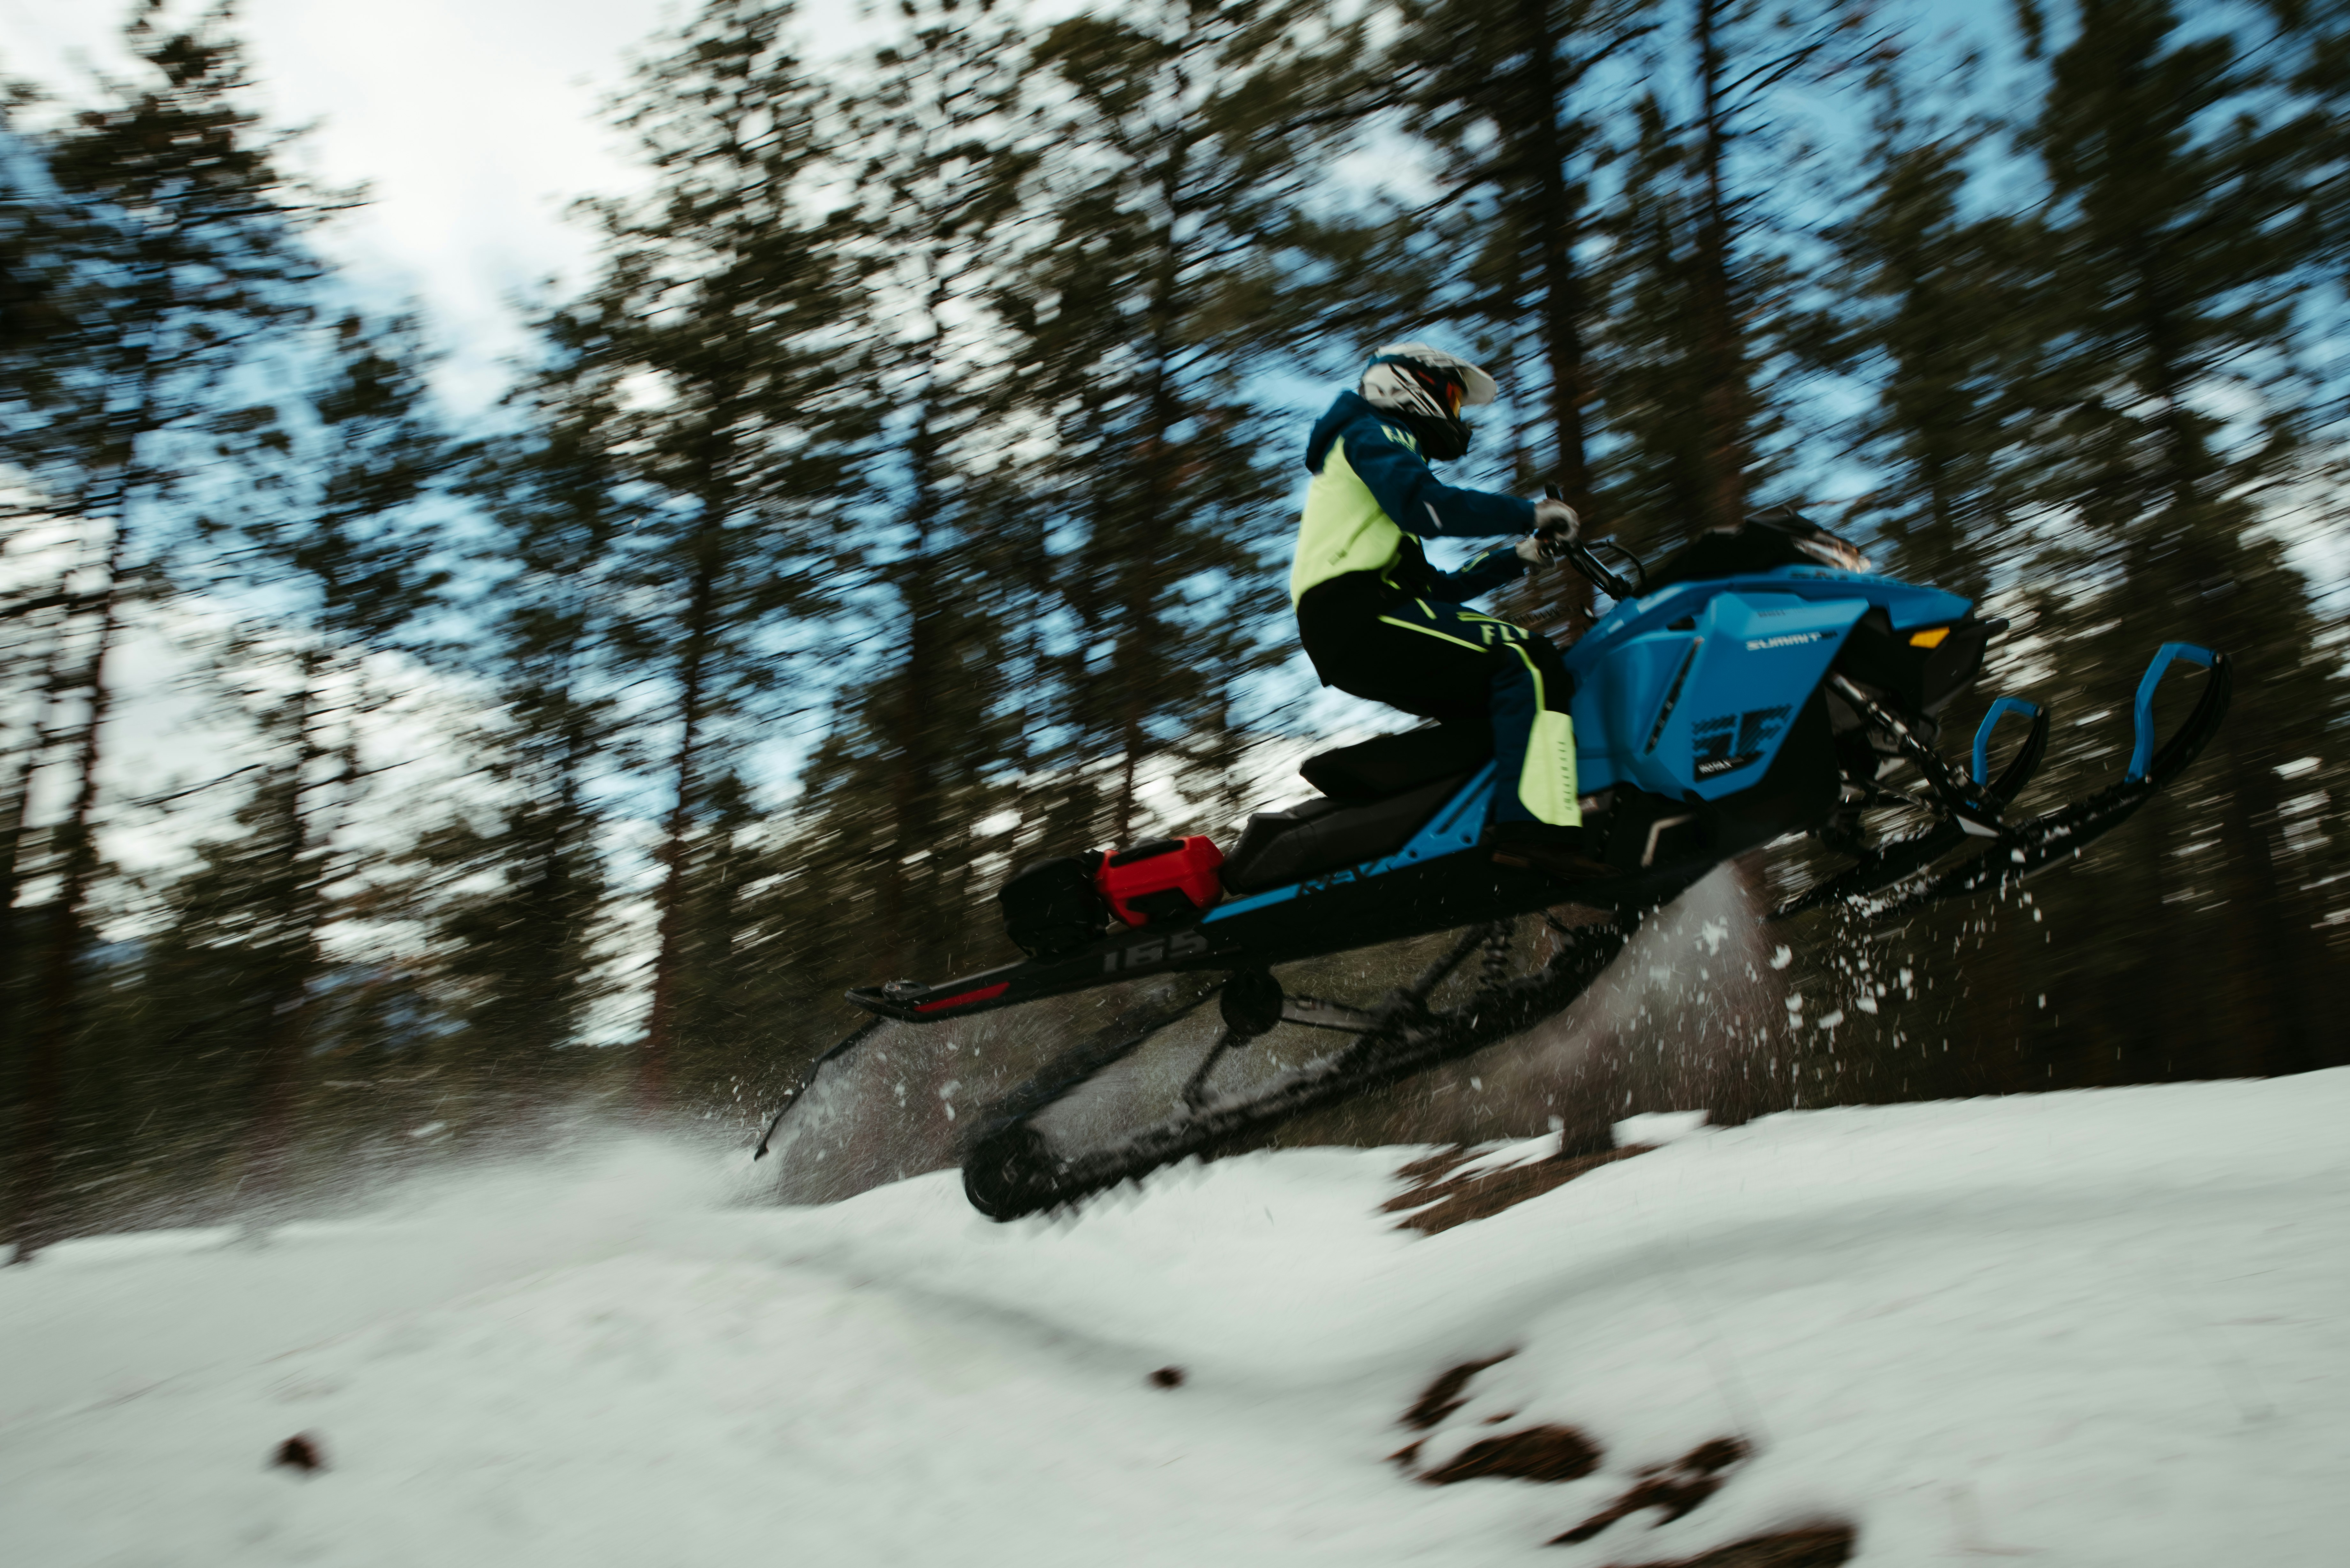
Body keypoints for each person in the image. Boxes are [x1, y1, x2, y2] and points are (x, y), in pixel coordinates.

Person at [1289, 342, 1595, 870]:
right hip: (1360, 612)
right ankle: (1534, 831)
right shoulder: (1373, 432)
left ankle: (1423, 806)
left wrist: (1519, 557)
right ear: (1404, 388)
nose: (1455, 416)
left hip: (1355, 622)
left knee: (1495, 705)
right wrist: (1530, 513)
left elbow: (1434, 592)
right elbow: (1428, 507)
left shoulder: (1366, 480)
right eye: (1451, 399)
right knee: (1529, 660)